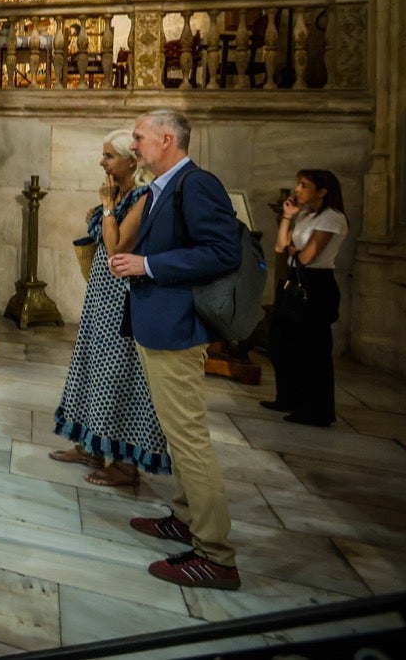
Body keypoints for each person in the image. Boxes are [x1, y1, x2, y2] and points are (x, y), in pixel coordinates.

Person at [108, 109, 241, 590]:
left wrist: (148, 265)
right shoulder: (163, 186)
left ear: (167, 139)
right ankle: (186, 520)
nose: (134, 146)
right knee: (174, 433)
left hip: (178, 327)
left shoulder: (197, 184)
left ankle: (216, 556)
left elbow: (224, 251)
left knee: (189, 439)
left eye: (140, 138)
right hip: (157, 324)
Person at [50, 130, 170, 487]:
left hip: (123, 301)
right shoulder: (120, 193)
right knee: (92, 368)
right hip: (100, 298)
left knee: (116, 375)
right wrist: (104, 207)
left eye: (109, 156)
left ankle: (124, 464)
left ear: (131, 161)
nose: (102, 162)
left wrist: (105, 207)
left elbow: (118, 246)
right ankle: (91, 445)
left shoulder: (144, 196)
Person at [266, 169, 349, 427]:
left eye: (304, 185)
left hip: (316, 284)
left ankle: (316, 409)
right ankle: (287, 398)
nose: (297, 189)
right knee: (284, 342)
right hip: (295, 278)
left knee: (312, 350)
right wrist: (287, 218)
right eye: (298, 184)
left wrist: (294, 250)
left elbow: (307, 256)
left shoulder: (332, 218)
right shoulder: (304, 214)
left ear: (322, 191)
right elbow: (281, 248)